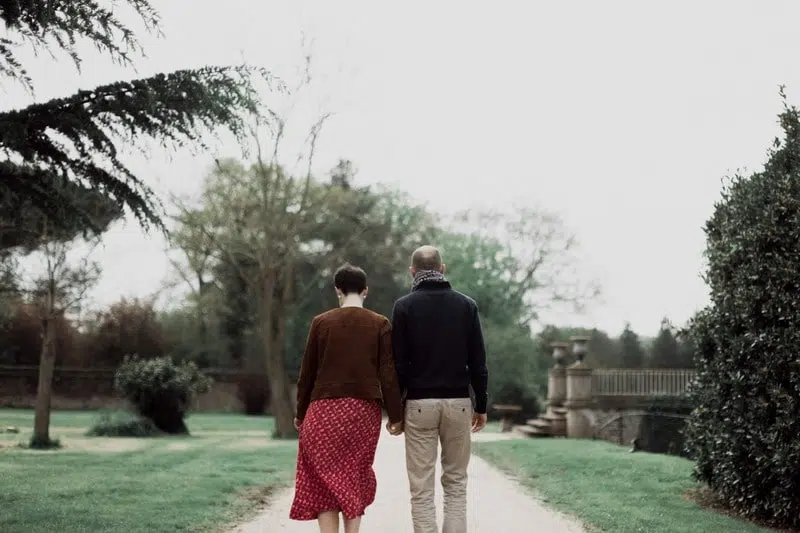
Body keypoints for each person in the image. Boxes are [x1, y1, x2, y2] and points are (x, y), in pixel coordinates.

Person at [289, 263, 405, 533]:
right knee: (354, 473)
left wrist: (301, 412)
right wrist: (396, 416)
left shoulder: (321, 323)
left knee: (322, 479)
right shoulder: (379, 324)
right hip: (362, 412)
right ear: (365, 291)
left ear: (337, 291)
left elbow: (307, 374)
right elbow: (388, 374)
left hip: (322, 410)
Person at [391, 245, 489, 533]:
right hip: (458, 402)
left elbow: (398, 366)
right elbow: (478, 362)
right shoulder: (466, 306)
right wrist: (481, 405)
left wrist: (395, 411)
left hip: (419, 404)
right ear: (442, 269)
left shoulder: (404, 307)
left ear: (412, 271)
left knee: (421, 487)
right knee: (456, 482)